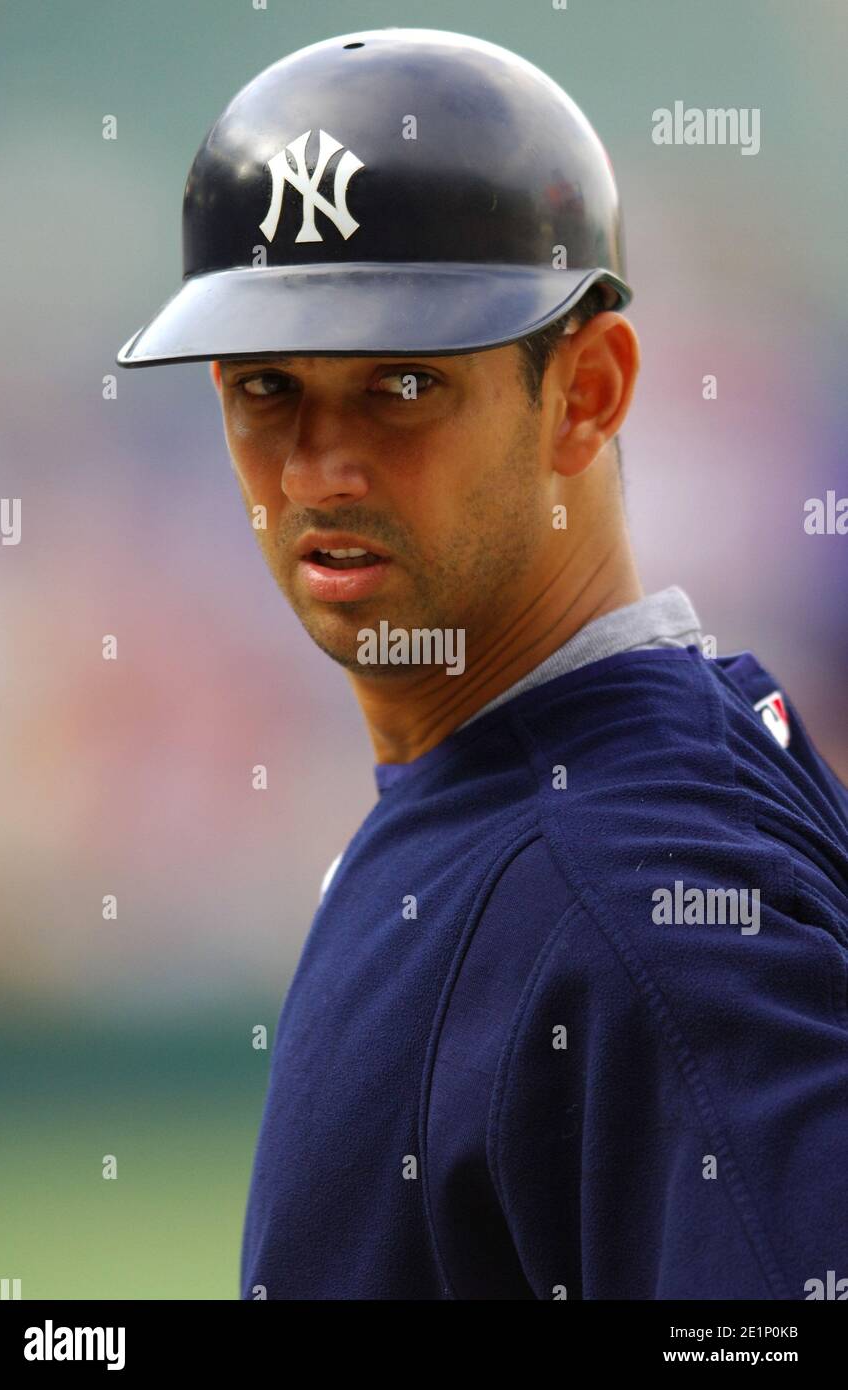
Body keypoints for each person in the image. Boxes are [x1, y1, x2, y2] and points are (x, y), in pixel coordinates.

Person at [118, 27, 848, 1300]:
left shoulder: (638, 897)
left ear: (586, 395)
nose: (315, 468)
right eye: (267, 388)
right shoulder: (535, 799)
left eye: (402, 383)